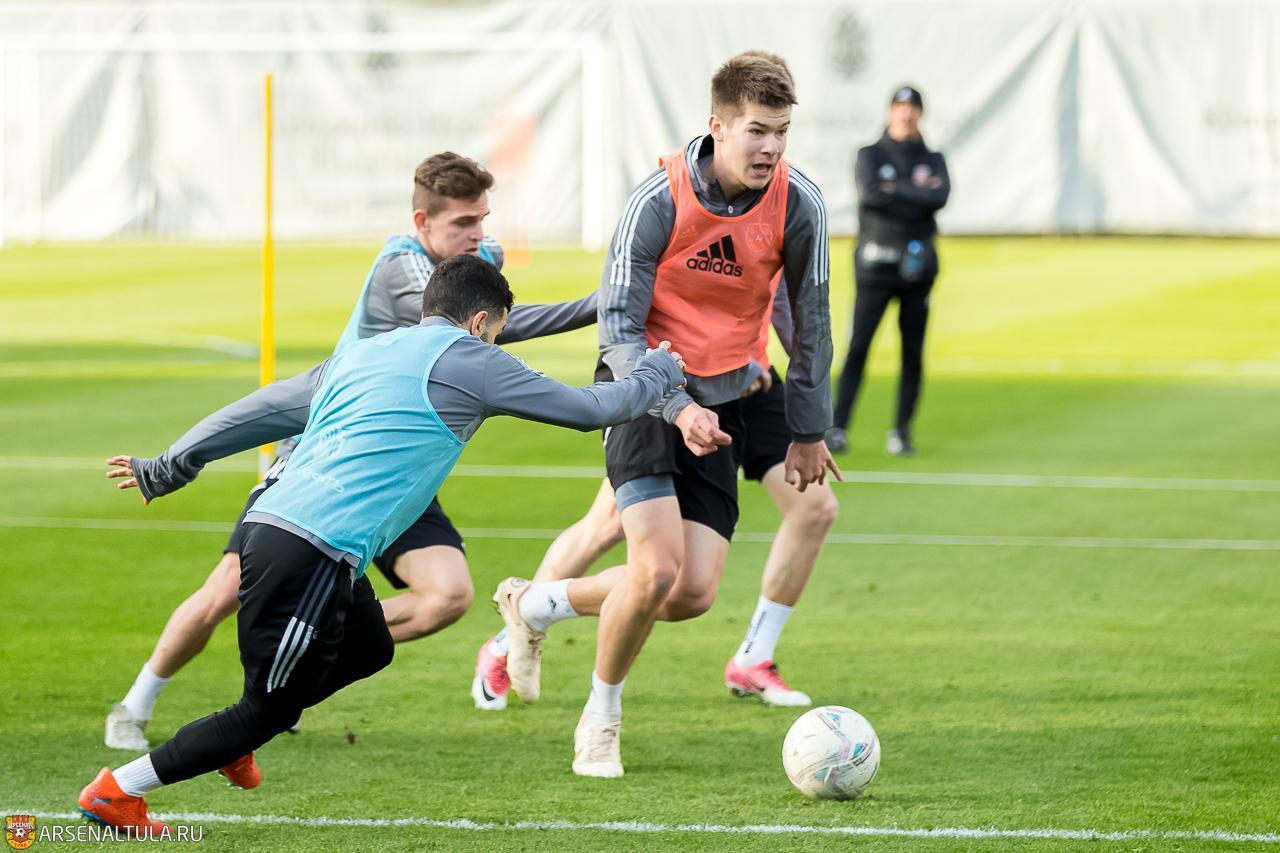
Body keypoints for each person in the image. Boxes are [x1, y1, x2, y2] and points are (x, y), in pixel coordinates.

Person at [77, 254, 687, 834]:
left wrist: (173, 464)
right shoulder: (474, 358)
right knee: (263, 710)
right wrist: (657, 373)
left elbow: (259, 410)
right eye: (498, 331)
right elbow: (590, 409)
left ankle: (237, 738)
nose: (495, 342)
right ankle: (116, 791)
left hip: (292, 534)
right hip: (307, 549)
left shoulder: (366, 351)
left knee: (370, 646)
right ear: (480, 321)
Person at [104, 152, 597, 751]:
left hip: (397, 462)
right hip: (325, 458)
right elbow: (486, 330)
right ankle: (135, 704)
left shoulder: (474, 262)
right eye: (463, 223)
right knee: (223, 592)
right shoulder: (401, 268)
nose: (478, 235)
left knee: (448, 596)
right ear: (422, 221)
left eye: (483, 220)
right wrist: (602, 303)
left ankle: (291, 677)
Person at [488, 52, 839, 778]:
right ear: (718, 126)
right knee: (652, 571)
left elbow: (812, 323)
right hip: (641, 392)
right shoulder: (657, 199)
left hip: (726, 399)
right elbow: (618, 328)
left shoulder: (799, 202)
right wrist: (673, 406)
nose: (771, 147)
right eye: (757, 131)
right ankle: (601, 720)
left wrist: (808, 430)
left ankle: (537, 604)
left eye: (781, 132)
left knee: (692, 594)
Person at [827, 85, 950, 456]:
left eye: (912, 108)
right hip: (875, 267)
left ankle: (902, 431)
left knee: (912, 353)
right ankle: (838, 427)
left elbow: (939, 197)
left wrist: (894, 189)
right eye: (900, 107)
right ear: (890, 111)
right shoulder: (870, 154)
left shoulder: (932, 157)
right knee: (858, 347)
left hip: (918, 267)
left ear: (920, 113)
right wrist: (916, 192)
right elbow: (872, 195)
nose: (906, 114)